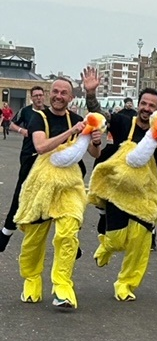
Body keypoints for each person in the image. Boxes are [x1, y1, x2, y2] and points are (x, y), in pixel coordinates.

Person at [13, 76, 103, 309]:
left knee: (68, 233)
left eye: (64, 93)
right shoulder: (38, 118)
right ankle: (32, 280)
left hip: (69, 184)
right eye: (55, 91)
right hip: (41, 184)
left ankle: (63, 286)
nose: (58, 96)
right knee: (33, 240)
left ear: (71, 97)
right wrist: (72, 131)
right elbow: (41, 146)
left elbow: (94, 154)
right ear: (49, 93)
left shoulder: (78, 118)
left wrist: (94, 141)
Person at [88, 86, 157, 302]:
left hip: (145, 194)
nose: (146, 109)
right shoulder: (123, 121)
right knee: (117, 239)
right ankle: (107, 245)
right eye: (143, 104)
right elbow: (100, 114)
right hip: (119, 190)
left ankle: (125, 283)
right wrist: (90, 94)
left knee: (140, 242)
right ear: (138, 105)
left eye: (151, 106)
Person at [0, 87, 47, 252]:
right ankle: (7, 231)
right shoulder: (26, 112)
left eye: (41, 95)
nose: (39, 98)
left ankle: (69, 241)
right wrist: (22, 130)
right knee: (22, 191)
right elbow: (11, 123)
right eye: (35, 96)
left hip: (47, 157)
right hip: (28, 155)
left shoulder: (49, 113)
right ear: (32, 98)